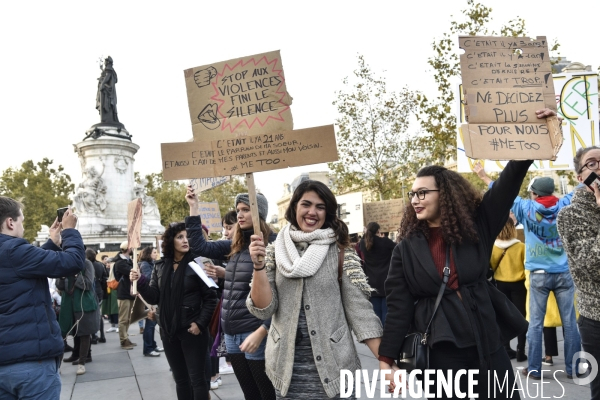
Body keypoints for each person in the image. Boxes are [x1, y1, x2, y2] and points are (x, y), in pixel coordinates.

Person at [378, 109, 561, 397]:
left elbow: (509, 181)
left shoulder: (478, 227)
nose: (415, 199)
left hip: (487, 341)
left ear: (446, 194)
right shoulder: (405, 249)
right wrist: (386, 360)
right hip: (440, 351)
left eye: (423, 192)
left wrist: (536, 131)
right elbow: (398, 307)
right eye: (413, 194)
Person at [247, 180, 383, 399]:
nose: (313, 212)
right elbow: (263, 310)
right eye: (306, 204)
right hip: (287, 371)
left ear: (327, 211)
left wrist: (385, 361)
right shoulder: (273, 252)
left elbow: (361, 313)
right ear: (294, 208)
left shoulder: (341, 252)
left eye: (320, 207)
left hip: (336, 368)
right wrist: (258, 266)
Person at [475, 164, 581, 380]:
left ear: (534, 193)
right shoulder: (565, 205)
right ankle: (573, 368)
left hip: (538, 273)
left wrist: (483, 176)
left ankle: (534, 368)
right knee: (570, 323)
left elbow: (501, 189)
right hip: (563, 271)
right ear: (551, 191)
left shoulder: (526, 207)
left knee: (535, 323)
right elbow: (581, 188)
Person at [185, 187, 277, 400]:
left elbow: (281, 294)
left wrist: (264, 328)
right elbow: (199, 247)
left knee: (266, 393)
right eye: (238, 210)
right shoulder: (235, 246)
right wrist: (194, 207)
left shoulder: (272, 244)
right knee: (250, 392)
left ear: (258, 214)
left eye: (246, 209)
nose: (240, 215)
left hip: (254, 331)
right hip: (232, 332)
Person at [0, 198, 84, 399]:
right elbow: (73, 262)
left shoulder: (13, 255)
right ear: (10, 222)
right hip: (29, 362)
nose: (22, 226)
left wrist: (52, 244)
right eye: (22, 221)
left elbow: (21, 270)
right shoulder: (13, 249)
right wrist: (70, 231)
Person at [130, 222, 218, 400]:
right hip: (168, 329)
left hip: (192, 330)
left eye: (187, 237)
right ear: (171, 241)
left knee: (198, 380)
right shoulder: (160, 265)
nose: (185, 240)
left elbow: (211, 298)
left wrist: (200, 324)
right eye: (180, 237)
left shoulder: (200, 262)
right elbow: (154, 297)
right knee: (181, 380)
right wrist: (140, 282)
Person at [557, 145, 600, 399]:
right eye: (592, 163)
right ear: (580, 176)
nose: (599, 168)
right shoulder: (570, 214)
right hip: (597, 319)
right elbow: (593, 265)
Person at [490, 217, 527, 361]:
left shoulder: (493, 247)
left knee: (504, 316)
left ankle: (506, 347)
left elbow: (491, 267)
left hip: (500, 284)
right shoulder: (521, 247)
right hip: (519, 285)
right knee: (521, 317)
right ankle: (521, 350)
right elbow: (526, 267)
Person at [59, 252, 99, 375]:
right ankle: (60, 364)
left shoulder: (86, 263)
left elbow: (88, 283)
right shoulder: (64, 264)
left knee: (84, 332)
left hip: (84, 303)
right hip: (68, 304)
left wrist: (76, 276)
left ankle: (82, 362)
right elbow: (59, 286)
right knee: (64, 332)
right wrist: (61, 278)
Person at [359, 221, 396, 326]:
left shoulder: (363, 243)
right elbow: (397, 248)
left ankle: (377, 337)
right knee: (386, 311)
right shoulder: (385, 242)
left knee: (376, 312)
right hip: (386, 279)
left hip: (371, 281)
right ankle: (386, 336)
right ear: (378, 231)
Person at [114, 242, 147, 350]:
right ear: (128, 249)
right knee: (123, 319)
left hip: (129, 293)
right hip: (123, 294)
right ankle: (123, 340)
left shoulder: (127, 261)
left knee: (128, 318)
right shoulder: (120, 263)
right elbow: (133, 271)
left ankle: (126, 338)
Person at [139, 246, 164, 357]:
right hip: (149, 297)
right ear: (148, 254)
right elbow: (149, 279)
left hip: (151, 296)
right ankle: (148, 348)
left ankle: (152, 345)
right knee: (150, 324)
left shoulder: (150, 264)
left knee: (152, 324)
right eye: (154, 252)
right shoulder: (145, 264)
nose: (156, 254)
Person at [88, 249, 107, 344]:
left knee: (91, 315)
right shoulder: (100, 265)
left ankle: (94, 336)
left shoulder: (87, 265)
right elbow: (104, 279)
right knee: (99, 315)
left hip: (90, 292)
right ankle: (102, 335)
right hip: (99, 291)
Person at [101, 254, 119, 334]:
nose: (107, 264)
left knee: (115, 308)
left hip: (114, 289)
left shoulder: (115, 269)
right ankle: (112, 325)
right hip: (108, 290)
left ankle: (117, 325)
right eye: (107, 263)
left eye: (109, 263)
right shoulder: (105, 269)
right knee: (109, 309)